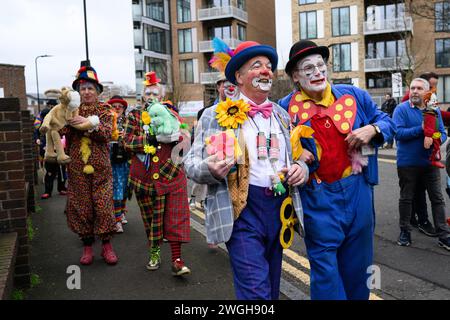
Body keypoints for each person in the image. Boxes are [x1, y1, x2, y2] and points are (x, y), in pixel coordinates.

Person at [185, 41, 308, 300]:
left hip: (279, 207)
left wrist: (300, 168)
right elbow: (191, 164)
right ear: (238, 77)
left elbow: (297, 157)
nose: (266, 71)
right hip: (241, 211)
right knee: (256, 291)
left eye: (269, 66)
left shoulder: (282, 115)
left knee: (272, 288)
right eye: (256, 66)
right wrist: (211, 169)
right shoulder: (214, 115)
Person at [278, 40, 396, 300]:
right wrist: (297, 158)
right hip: (317, 196)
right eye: (308, 68)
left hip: (358, 191)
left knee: (359, 268)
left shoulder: (354, 95)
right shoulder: (284, 109)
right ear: (295, 76)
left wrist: (373, 130)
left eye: (320, 65)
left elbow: (387, 121)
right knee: (325, 273)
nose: (317, 72)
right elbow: (275, 150)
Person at [123, 71, 191, 276]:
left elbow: (185, 141)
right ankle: (154, 252)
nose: (151, 97)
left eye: (155, 94)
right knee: (151, 220)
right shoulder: (134, 115)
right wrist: (147, 142)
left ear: (162, 97)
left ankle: (177, 259)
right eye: (148, 93)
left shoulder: (173, 115)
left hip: (170, 175)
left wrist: (176, 142)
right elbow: (125, 141)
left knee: (176, 218)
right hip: (143, 179)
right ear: (143, 96)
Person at [63, 62, 119, 266]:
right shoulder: (69, 110)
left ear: (97, 92)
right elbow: (62, 131)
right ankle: (87, 247)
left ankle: (107, 246)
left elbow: (106, 134)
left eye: (90, 88)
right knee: (81, 207)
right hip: (77, 168)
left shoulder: (105, 110)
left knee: (103, 206)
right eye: (83, 89)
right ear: (78, 92)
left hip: (101, 168)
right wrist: (70, 122)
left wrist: (84, 126)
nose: (86, 92)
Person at [392, 77, 450, 252]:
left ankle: (443, 235)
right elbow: (398, 133)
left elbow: (442, 134)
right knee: (406, 198)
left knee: (437, 199)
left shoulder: (434, 110)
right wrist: (421, 129)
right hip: (407, 163)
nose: (415, 91)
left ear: (427, 92)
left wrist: (434, 139)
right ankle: (405, 232)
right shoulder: (401, 109)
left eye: (419, 88)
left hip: (430, 162)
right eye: (412, 88)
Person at [34, 98, 68, 199]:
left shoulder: (58, 121)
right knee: (49, 172)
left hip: (60, 150)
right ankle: (47, 191)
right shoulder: (42, 123)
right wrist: (39, 142)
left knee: (61, 171)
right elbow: (36, 131)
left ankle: (62, 188)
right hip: (48, 151)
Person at [108, 95, 131, 233]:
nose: (117, 109)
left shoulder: (128, 121)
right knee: (116, 188)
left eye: (120, 106)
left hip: (125, 159)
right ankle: (116, 220)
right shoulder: (106, 120)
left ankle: (121, 212)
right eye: (114, 106)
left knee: (124, 188)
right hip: (111, 160)